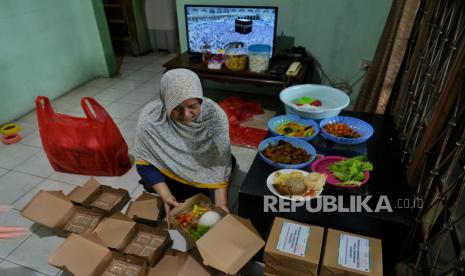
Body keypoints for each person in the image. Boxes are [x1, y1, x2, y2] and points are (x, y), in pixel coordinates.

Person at [134, 69, 233, 221]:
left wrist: (221, 202)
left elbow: (221, 160)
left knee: (227, 164)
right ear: (166, 103)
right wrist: (166, 195)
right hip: (168, 172)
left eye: (192, 106)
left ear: (201, 100)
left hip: (202, 166)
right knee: (182, 196)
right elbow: (144, 163)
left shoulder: (213, 115)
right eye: (177, 108)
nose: (186, 115)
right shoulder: (150, 120)